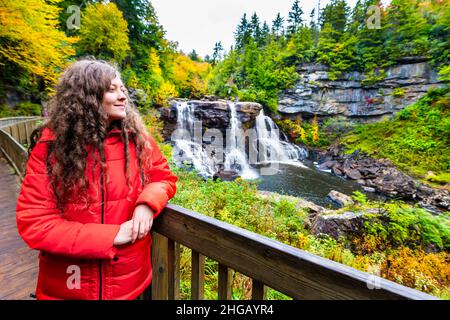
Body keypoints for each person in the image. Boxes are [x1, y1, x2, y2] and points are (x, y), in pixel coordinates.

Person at [16, 59, 178, 300]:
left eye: (122, 89)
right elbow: (35, 222)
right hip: (69, 287)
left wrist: (147, 203)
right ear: (86, 96)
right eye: (111, 90)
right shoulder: (51, 147)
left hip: (129, 283)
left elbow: (163, 177)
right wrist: (111, 236)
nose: (123, 96)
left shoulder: (136, 139)